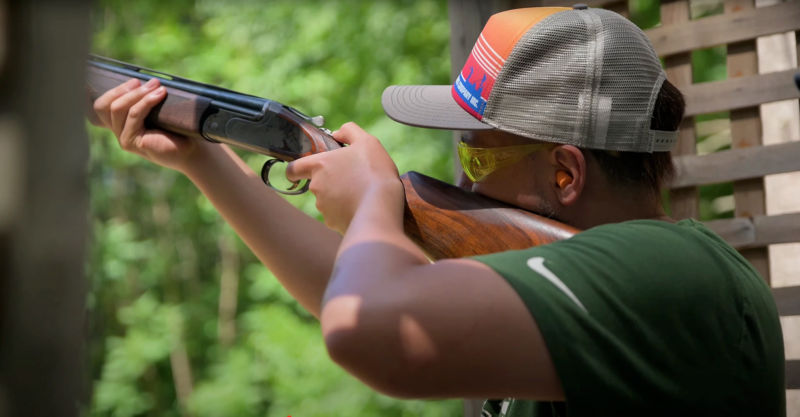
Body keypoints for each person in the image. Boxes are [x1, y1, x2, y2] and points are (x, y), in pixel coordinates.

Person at [92, 5, 785, 416]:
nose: (462, 177)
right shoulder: (634, 282)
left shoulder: (672, 271)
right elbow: (354, 293)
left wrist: (372, 202)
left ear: (566, 172)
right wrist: (202, 158)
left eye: (479, 159)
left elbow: (373, 332)